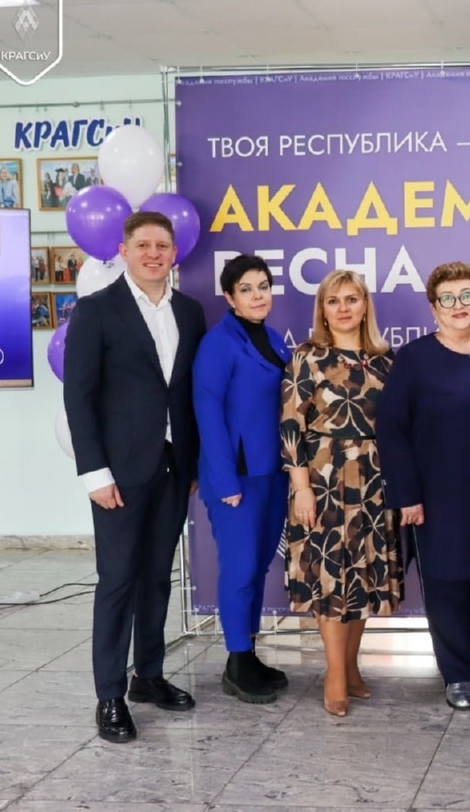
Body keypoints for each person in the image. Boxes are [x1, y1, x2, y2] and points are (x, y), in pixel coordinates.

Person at [63, 210, 207, 744]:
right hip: (118, 473)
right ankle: (110, 695)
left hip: (173, 467)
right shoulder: (96, 310)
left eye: (162, 246)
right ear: (124, 251)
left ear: (174, 254)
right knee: (118, 580)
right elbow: (79, 397)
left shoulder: (189, 311)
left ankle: (148, 675)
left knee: (157, 577)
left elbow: (188, 395)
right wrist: (94, 473)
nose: (153, 254)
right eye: (143, 245)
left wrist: (192, 463)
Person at [377, 262, 470, 711]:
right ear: (433, 308)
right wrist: (407, 496)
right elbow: (392, 430)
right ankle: (455, 672)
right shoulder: (414, 358)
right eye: (447, 298)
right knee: (445, 583)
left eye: (466, 296)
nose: (458, 305)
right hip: (439, 495)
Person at [281, 269, 401, 718]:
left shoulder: (386, 361)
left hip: (374, 479)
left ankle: (351, 666)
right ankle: (333, 672)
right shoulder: (307, 357)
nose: (344, 308)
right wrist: (301, 489)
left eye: (352, 299)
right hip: (323, 478)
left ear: (365, 305)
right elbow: (290, 426)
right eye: (334, 301)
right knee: (330, 577)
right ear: (323, 310)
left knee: (363, 575)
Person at [192, 254, 292, 705]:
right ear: (230, 297)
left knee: (257, 566)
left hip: (272, 474)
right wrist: (224, 481)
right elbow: (208, 411)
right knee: (239, 568)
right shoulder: (218, 343)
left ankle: (248, 653)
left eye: (263, 286)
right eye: (247, 289)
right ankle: (236, 662)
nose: (257, 295)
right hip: (237, 478)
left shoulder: (271, 337)